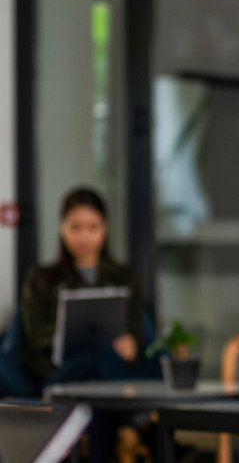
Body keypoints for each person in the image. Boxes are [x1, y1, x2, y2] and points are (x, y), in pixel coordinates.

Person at [20, 187, 155, 462]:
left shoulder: (125, 277)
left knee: (98, 394)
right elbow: (34, 342)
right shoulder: (41, 278)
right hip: (61, 374)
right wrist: (66, 337)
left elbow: (137, 337)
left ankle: (126, 421)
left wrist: (130, 346)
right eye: (75, 227)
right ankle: (138, 418)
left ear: (104, 229)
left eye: (92, 227)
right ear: (62, 228)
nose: (84, 236)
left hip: (105, 376)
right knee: (99, 355)